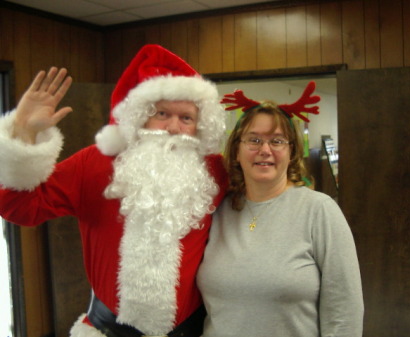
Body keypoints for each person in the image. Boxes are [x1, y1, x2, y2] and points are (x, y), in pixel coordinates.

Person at [0, 44, 228, 337]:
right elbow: (19, 207)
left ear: (199, 125)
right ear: (139, 116)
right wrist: (24, 133)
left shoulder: (215, 171)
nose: (173, 127)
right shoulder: (93, 164)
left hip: (193, 329)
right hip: (107, 329)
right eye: (161, 113)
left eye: (186, 118)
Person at [197, 82, 364, 337]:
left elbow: (345, 311)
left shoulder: (319, 211)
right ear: (236, 151)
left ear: (291, 152)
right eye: (254, 140)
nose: (265, 150)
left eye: (277, 141)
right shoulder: (217, 211)